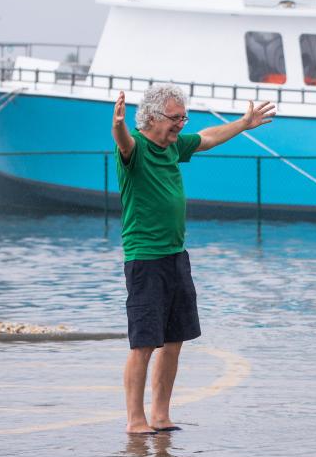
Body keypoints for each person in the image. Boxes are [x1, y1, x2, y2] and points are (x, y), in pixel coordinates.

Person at [112, 84, 275, 434]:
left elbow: (208, 137)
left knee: (174, 340)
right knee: (143, 343)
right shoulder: (136, 147)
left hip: (176, 257)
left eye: (183, 117)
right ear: (153, 117)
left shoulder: (173, 146)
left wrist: (243, 124)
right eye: (176, 118)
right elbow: (124, 144)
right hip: (145, 260)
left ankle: (160, 414)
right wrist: (118, 126)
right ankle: (135, 420)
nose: (181, 125)